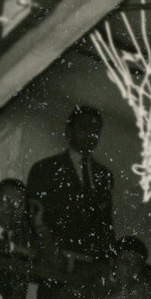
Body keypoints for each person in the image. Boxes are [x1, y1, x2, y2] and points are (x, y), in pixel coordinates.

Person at [26, 104, 114, 263]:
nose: (91, 134)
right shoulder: (45, 168)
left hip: (89, 263)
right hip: (53, 258)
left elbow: (106, 224)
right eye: (85, 127)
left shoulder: (104, 175)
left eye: (96, 130)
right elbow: (32, 217)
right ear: (69, 130)